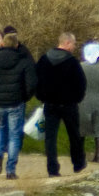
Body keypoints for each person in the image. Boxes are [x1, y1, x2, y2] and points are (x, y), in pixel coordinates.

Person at [0, 32, 35, 180]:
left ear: (2, 44)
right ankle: (10, 170)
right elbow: (31, 83)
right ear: (17, 45)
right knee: (14, 136)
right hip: (16, 102)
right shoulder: (23, 60)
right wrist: (25, 97)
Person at [35, 33, 86, 177]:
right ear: (68, 43)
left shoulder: (44, 59)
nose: (75, 47)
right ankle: (78, 163)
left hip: (50, 104)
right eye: (74, 44)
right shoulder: (72, 62)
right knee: (74, 135)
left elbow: (36, 80)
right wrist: (78, 98)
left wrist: (41, 96)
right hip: (69, 104)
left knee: (50, 138)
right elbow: (81, 83)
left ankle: (52, 168)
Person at [78, 43, 99, 164]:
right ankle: (98, 155)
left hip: (82, 100)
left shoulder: (80, 67)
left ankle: (80, 154)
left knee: (80, 127)